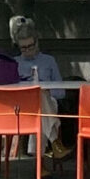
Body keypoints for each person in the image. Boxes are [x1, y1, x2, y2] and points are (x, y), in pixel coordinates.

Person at [5, 17, 66, 157]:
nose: (27, 50)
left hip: (47, 104)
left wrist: (45, 91)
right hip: (22, 107)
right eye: (23, 48)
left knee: (42, 99)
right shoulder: (15, 63)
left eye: (30, 46)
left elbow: (61, 91)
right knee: (40, 100)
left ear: (36, 42)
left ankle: (38, 160)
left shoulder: (49, 61)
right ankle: (55, 142)